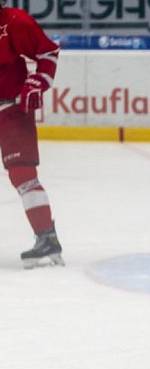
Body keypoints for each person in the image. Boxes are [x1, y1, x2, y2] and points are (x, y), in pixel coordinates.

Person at [0, 1, 63, 268]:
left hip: (13, 109)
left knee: (23, 175)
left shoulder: (15, 22)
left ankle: (46, 237)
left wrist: (39, 81)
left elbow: (48, 52)